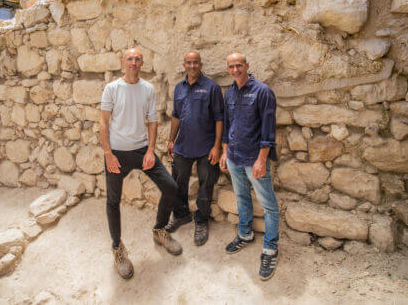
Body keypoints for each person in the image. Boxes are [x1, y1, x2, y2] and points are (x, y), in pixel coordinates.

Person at [100, 48, 186, 279]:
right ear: (123, 62)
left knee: (171, 187)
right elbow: (104, 122)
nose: (134, 62)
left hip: (141, 150)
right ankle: (117, 249)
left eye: (137, 59)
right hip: (117, 153)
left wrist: (150, 150)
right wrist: (108, 153)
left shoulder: (147, 89)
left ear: (142, 63)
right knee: (112, 201)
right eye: (130, 58)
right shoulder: (112, 88)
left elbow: (152, 121)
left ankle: (159, 230)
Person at [219, 52, 280, 281]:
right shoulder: (230, 93)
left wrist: (262, 159)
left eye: (239, 65)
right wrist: (225, 152)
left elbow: (268, 129)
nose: (236, 70)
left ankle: (271, 248)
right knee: (242, 197)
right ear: (228, 69)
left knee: (268, 204)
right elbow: (227, 125)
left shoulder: (262, 91)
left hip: (255, 158)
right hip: (234, 157)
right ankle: (245, 234)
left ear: (247, 65)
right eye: (231, 66)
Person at [163, 51, 225, 246]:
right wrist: (171, 140)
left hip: (207, 147)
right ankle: (181, 215)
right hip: (183, 144)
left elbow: (219, 119)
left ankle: (201, 220)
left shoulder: (211, 88)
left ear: (201, 64)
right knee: (177, 181)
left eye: (195, 63)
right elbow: (176, 115)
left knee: (206, 184)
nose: (191, 66)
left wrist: (217, 147)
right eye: (188, 63)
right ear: (184, 65)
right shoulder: (179, 88)